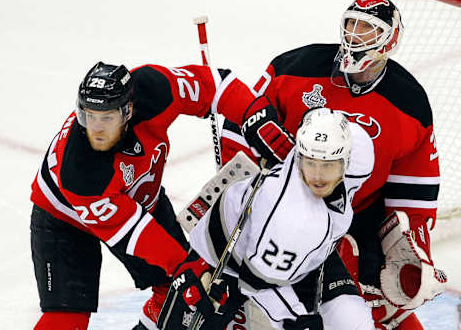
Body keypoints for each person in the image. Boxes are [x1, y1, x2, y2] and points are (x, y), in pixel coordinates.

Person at [218, 0, 447, 329]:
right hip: (284, 201)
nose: (355, 36)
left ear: (390, 40)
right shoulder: (294, 68)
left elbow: (414, 186)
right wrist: (243, 187)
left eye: (368, 29)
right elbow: (244, 120)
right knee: (248, 295)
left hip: (359, 216)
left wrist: (411, 246)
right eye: (351, 25)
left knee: (381, 309)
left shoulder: (409, 103)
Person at [29, 61, 294, 330]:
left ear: (127, 110)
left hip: (140, 197)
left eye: (106, 117)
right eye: (89, 116)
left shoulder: (154, 88)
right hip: (63, 218)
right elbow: (135, 233)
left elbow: (214, 85)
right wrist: (182, 264)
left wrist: (253, 113)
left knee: (177, 294)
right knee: (66, 317)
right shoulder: (79, 170)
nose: (95, 128)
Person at [156, 107, 376, 330]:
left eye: (328, 165)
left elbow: (318, 116)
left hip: (310, 256)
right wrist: (296, 320)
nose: (318, 176)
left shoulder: (360, 148)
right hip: (229, 259)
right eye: (311, 163)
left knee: (355, 324)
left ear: (347, 159)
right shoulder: (294, 217)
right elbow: (257, 284)